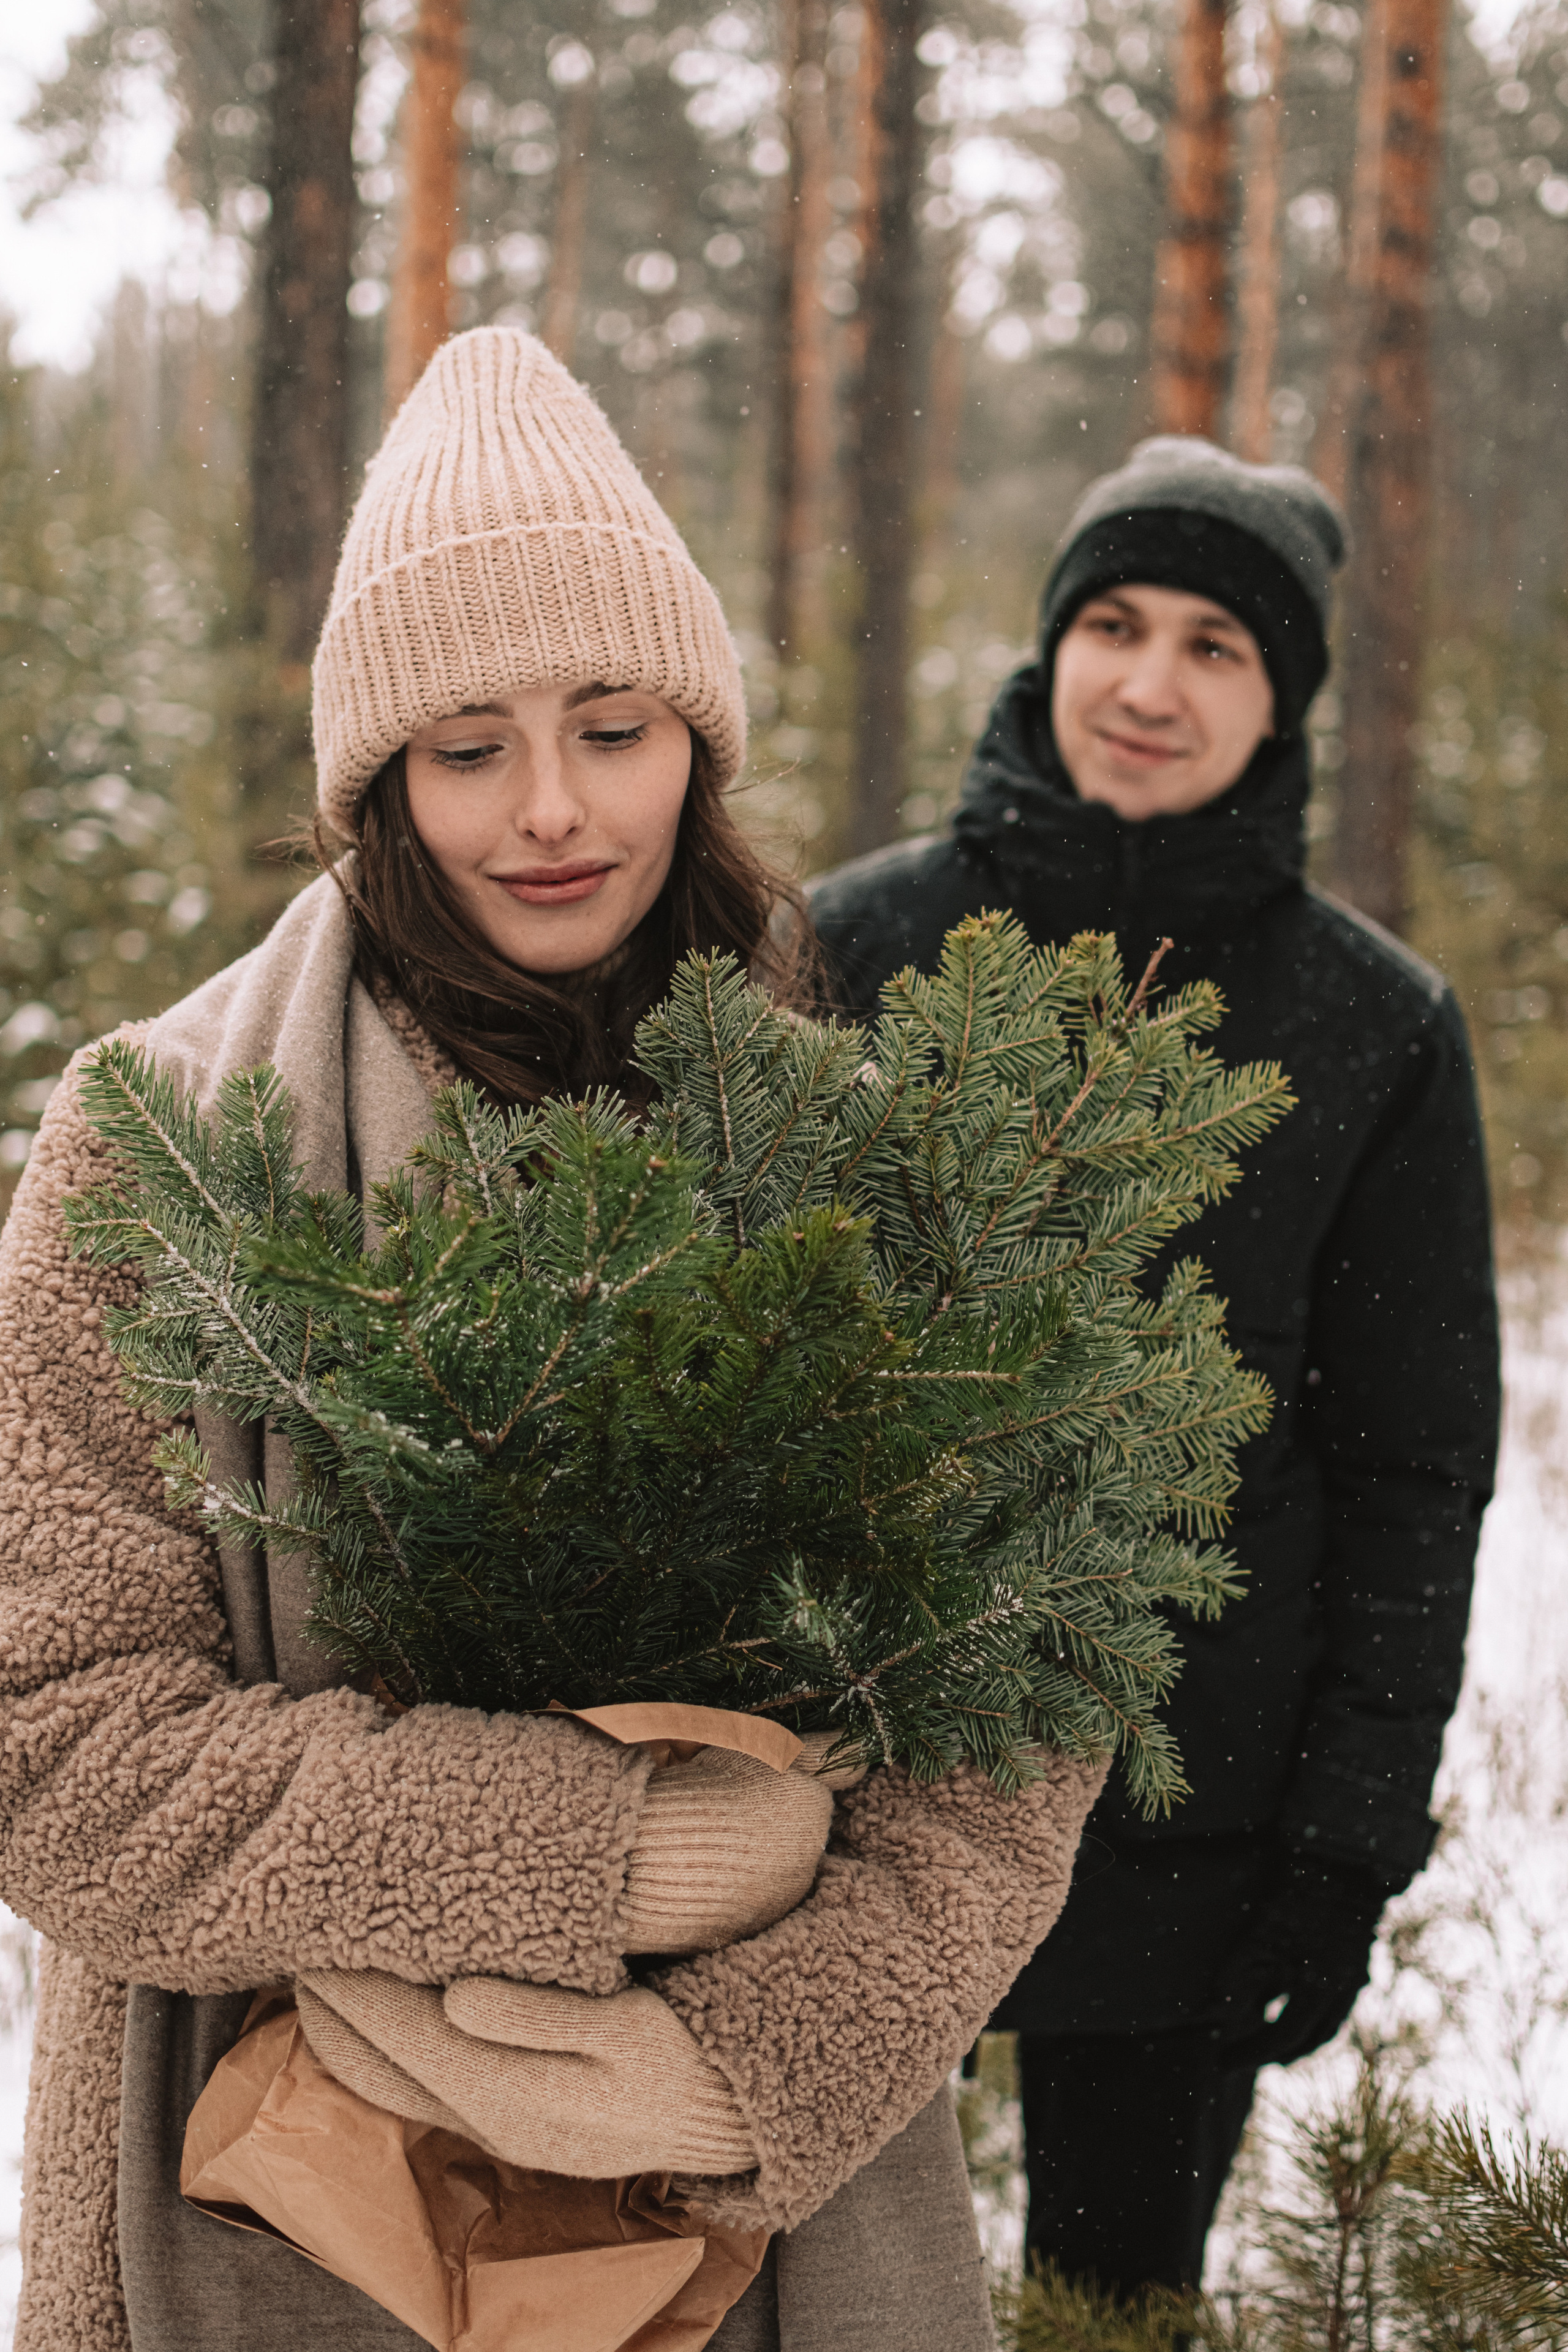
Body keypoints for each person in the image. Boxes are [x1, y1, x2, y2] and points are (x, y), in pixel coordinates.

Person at [0, 328, 1107, 2352]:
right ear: (377, 781)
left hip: (748, 2235)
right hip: (261, 2205)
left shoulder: (851, 1162)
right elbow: (52, 1739)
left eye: (611, 726)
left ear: (696, 736)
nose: (549, 811)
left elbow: (1019, 1717)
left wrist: (763, 2060)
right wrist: (581, 1851)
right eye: (468, 745)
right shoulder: (147, 1142)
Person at [809, 436, 1501, 2300]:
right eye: (1114, 622)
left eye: (1218, 644)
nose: (1149, 682)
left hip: (1202, 1808)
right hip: (849, 1809)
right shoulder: (855, 944)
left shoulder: (1375, 1028)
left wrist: (1350, 1842)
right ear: (1050, 649)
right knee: (816, 2311)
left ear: (1281, 705)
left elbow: (1414, 1470)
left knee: (1112, 2312)